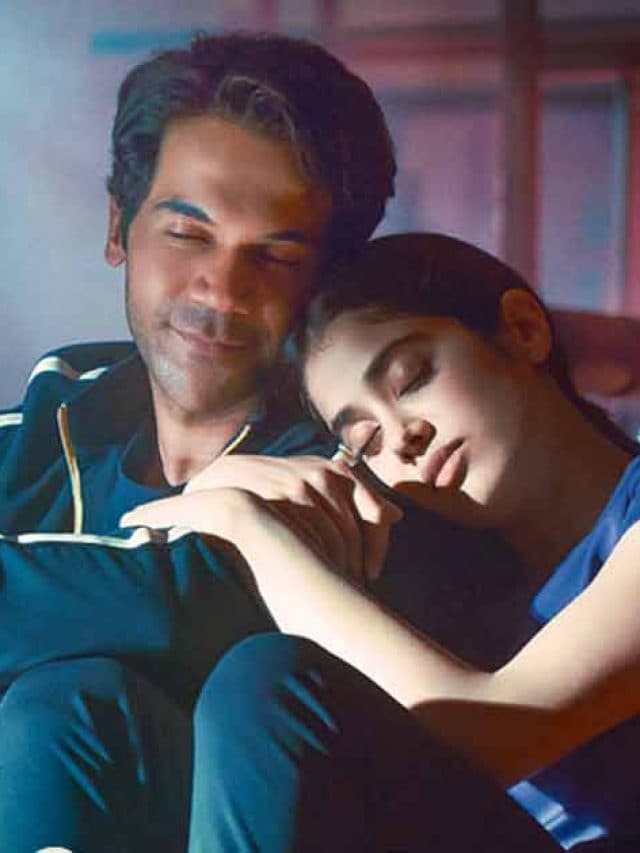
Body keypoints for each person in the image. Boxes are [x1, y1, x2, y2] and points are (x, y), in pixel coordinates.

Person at [0, 31, 400, 852]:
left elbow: (188, 605)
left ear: (326, 280)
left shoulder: (352, 456)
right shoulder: (46, 422)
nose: (221, 289)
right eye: (188, 234)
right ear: (120, 227)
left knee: (68, 702)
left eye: (275, 256)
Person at [125, 233, 640, 851]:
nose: (401, 437)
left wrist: (251, 530)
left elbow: (498, 734)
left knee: (269, 681)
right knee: (88, 709)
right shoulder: (454, 584)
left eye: (412, 378)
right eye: (365, 441)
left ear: (523, 330)